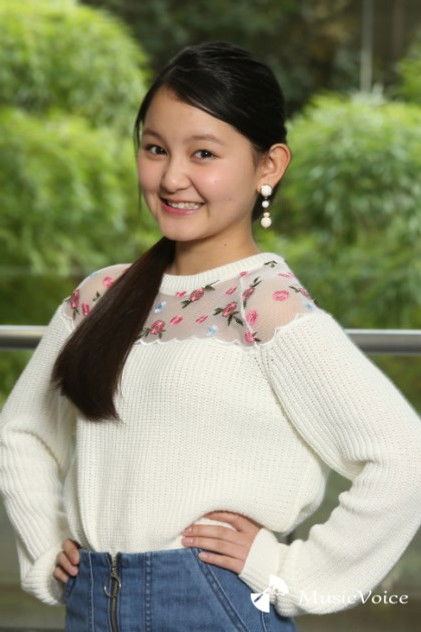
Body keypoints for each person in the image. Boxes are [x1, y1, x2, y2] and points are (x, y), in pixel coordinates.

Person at [1, 40, 420, 632]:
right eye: (155, 148)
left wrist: (291, 574)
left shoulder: (266, 305)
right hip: (93, 600)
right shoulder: (100, 297)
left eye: (203, 153)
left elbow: (404, 457)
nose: (172, 177)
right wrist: (47, 549)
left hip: (211, 603)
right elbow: (22, 431)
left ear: (268, 166)